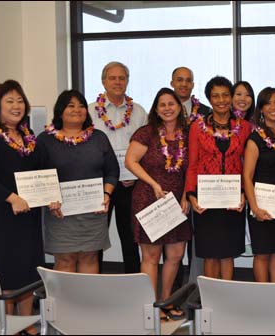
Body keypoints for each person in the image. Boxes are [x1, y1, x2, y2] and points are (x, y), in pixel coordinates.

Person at [0, 80, 56, 335]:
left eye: (20, 100)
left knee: (28, 269)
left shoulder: (29, 137)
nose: (16, 106)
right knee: (6, 273)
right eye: (10, 101)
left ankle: (27, 322)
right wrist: (12, 198)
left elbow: (43, 171)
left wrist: (52, 195)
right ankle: (8, 325)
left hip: (27, 215)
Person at [125, 87, 192, 320]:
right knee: (151, 257)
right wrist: (153, 183)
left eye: (171, 104)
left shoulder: (188, 133)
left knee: (175, 254)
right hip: (149, 199)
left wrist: (186, 196)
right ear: (156, 109)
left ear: (179, 107)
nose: (167, 108)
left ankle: (166, 301)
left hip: (177, 202)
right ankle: (151, 306)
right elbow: (130, 161)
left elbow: (191, 169)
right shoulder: (146, 133)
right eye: (162, 104)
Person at [38, 89, 119, 274]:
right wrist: (48, 199)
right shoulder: (45, 140)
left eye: (81, 106)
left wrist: (106, 195)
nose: (77, 110)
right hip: (60, 213)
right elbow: (38, 174)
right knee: (65, 258)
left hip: (93, 211)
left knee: (89, 257)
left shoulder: (99, 138)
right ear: (60, 111)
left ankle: (87, 302)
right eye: (71, 106)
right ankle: (66, 303)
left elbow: (112, 171)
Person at [185, 76, 252, 280]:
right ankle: (210, 300)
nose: (221, 100)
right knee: (210, 254)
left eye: (225, 95)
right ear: (209, 99)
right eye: (215, 96)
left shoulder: (244, 127)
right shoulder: (197, 127)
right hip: (206, 198)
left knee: (228, 253)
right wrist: (191, 195)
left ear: (231, 97)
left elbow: (247, 165)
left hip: (233, 197)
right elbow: (193, 164)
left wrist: (244, 195)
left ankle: (226, 298)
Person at [89, 61, 147, 274]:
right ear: (104, 81)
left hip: (129, 183)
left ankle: (132, 282)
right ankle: (97, 281)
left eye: (122, 78)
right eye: (112, 78)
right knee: (97, 236)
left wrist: (135, 172)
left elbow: (146, 147)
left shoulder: (139, 112)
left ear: (127, 82)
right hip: (100, 183)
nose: (118, 82)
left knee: (130, 236)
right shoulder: (90, 111)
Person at [242, 87, 275, 282]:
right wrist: (254, 207)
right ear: (261, 108)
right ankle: (262, 296)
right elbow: (247, 176)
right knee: (262, 253)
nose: (273, 107)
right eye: (268, 103)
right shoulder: (255, 138)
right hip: (260, 202)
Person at [170, 66, 210, 285]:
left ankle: (197, 289)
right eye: (179, 80)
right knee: (172, 240)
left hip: (199, 184)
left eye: (188, 80)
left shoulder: (205, 112)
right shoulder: (163, 109)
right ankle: (173, 293)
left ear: (193, 85)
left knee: (198, 240)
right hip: (171, 183)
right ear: (172, 83)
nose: (183, 84)